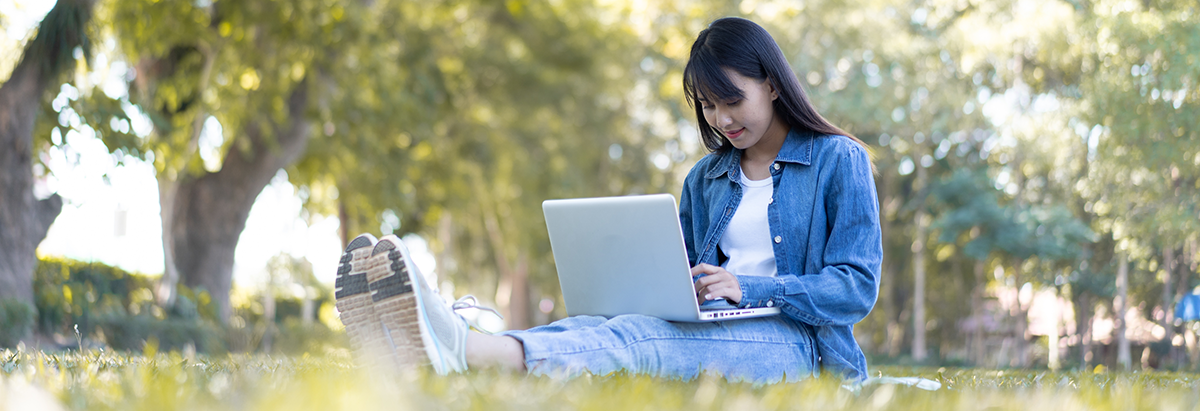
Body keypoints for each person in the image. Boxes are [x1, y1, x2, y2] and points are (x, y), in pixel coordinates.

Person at [333, 16, 881, 383]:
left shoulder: (838, 159)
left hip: (798, 347)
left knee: (645, 340)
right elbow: (679, 277)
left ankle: (464, 353)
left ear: (773, 85)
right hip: (714, 326)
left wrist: (752, 287)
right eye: (708, 106)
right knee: (600, 326)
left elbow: (855, 288)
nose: (721, 120)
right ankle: (446, 349)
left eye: (732, 100)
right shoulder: (707, 178)